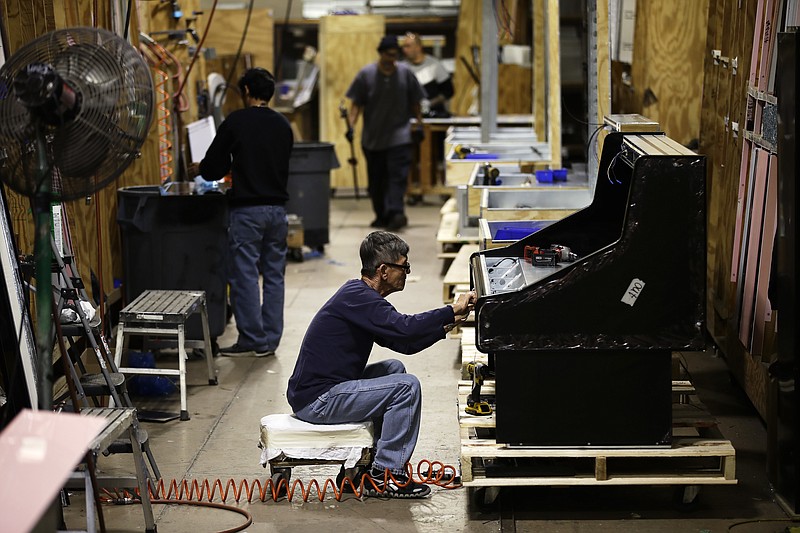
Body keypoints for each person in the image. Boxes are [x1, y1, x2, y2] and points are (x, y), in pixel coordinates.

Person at [286, 231, 476, 498]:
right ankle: (387, 475)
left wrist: (450, 323)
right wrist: (450, 309)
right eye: (404, 266)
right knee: (406, 387)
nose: (407, 272)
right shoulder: (359, 297)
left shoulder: (361, 298)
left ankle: (369, 464)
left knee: (393, 369)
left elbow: (405, 343)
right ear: (384, 270)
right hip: (317, 399)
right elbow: (406, 328)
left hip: (326, 389)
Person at [196, 68, 294, 357]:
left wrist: (204, 168)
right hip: (278, 212)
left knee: (245, 275)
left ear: (248, 91)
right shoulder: (283, 124)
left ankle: (253, 339)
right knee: (275, 275)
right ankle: (271, 339)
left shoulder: (236, 122)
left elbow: (212, 168)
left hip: (247, 211)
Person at [345, 35, 426, 231]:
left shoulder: (405, 73)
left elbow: (416, 102)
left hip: (400, 136)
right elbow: (356, 104)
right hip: (373, 139)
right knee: (376, 181)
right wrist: (351, 126)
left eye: (394, 55)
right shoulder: (366, 75)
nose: (391, 59)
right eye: (388, 55)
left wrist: (419, 124)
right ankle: (381, 214)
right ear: (381, 54)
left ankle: (396, 212)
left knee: (397, 177)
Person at [401, 32, 454, 117]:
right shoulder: (403, 68)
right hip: (411, 116)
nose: (404, 50)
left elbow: (448, 91)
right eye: (404, 46)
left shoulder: (434, 65)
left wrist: (430, 103)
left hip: (434, 115)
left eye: (408, 46)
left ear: (418, 47)